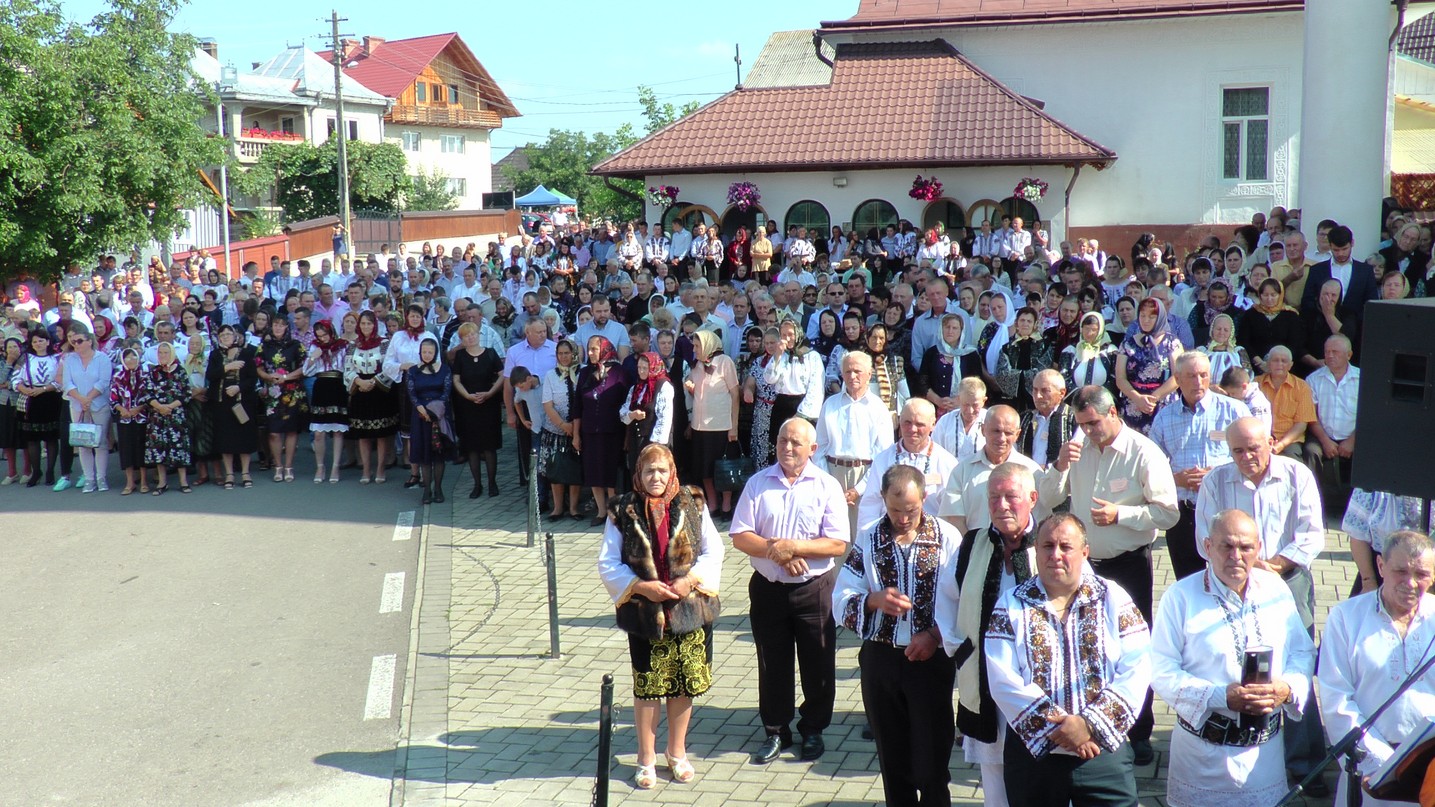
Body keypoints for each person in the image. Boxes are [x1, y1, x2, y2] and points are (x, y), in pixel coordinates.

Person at [1044, 384, 1180, 765]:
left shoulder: (1144, 453)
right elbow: (1048, 498)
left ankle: (1139, 731)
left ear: (1114, 414)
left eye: (1093, 424)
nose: (1088, 432)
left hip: (1128, 564)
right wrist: (1059, 465)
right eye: (1082, 425)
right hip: (1084, 567)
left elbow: (1169, 513)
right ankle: (1091, 721)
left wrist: (1123, 514)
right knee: (1085, 646)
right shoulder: (1077, 448)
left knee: (1132, 649)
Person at [1149, 509, 1316, 807]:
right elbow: (1161, 670)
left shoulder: (1275, 590)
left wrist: (1287, 688)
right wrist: (1219, 696)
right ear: (1208, 546)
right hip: (1202, 760)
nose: (1236, 555)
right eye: (1226, 545)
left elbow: (1302, 651)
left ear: (1259, 549)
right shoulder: (1180, 597)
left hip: (1264, 759)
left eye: (1245, 547)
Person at [1194, 416, 1328, 787]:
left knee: (1296, 665)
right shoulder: (1215, 481)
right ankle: (1246, 747)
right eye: (1237, 450)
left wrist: (1275, 565)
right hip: (1233, 584)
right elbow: (1203, 538)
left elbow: (1312, 533)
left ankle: (1305, 764)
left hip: (1287, 578)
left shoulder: (1295, 474)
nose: (1246, 456)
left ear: (1270, 441)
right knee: (1237, 661)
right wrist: (1245, 569)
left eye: (1253, 448)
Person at [984, 513, 1151, 806]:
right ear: (1035, 550)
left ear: (1084, 552)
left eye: (1066, 546)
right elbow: (1002, 679)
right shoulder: (1011, 603)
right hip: (1033, 756)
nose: (1055, 555)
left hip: (1102, 752)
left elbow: (1138, 667)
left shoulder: (1113, 597)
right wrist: (1063, 731)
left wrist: (1088, 725)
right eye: (1047, 546)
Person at [834, 464, 963, 806]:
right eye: (895, 510)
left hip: (930, 661)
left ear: (924, 499)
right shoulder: (869, 535)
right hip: (882, 657)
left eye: (911, 510)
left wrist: (935, 635)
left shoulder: (947, 536)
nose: (903, 518)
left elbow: (964, 602)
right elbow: (842, 594)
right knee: (892, 758)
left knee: (932, 759)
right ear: (882, 499)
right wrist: (873, 600)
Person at [597, 443, 724, 790]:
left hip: (689, 609)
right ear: (638, 473)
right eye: (649, 470)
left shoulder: (693, 501)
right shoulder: (622, 509)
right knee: (648, 687)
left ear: (673, 472)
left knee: (684, 684)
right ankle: (646, 758)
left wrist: (690, 580)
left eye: (662, 470)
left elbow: (714, 550)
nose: (656, 477)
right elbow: (608, 562)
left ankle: (677, 752)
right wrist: (641, 587)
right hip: (645, 613)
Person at [730, 418, 850, 765]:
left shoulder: (826, 486)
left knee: (818, 661)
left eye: (795, 442)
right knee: (772, 662)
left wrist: (794, 548)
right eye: (783, 440)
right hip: (768, 588)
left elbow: (837, 543)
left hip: (814, 589)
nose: (787, 447)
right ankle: (776, 729)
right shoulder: (757, 483)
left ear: (812, 449)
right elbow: (740, 535)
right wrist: (775, 551)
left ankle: (813, 728)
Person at [934, 462, 1042, 807]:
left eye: (1011, 496)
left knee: (1043, 770)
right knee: (994, 772)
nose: (1002, 505)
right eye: (993, 497)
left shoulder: (1052, 541)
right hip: (985, 680)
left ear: (1033, 498)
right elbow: (945, 597)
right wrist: (960, 648)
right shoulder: (972, 544)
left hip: (1038, 684)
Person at [1319, 530, 1435, 807]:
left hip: (1430, 772)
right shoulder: (1345, 618)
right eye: (1400, 571)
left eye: (1421, 574)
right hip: (1370, 773)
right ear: (1381, 566)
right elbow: (1336, 700)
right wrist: (1387, 765)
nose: (1410, 583)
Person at [1149, 352, 1251, 580]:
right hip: (1183, 513)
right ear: (1178, 378)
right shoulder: (1165, 417)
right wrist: (1176, 479)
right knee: (1188, 582)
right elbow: (1151, 467)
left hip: (1225, 508)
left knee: (1229, 578)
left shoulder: (1234, 411)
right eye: (1191, 376)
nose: (1198, 382)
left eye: (1203, 375)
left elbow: (1252, 459)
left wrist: (1215, 474)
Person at [856, 399, 958, 537]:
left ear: (933, 424)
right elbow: (870, 505)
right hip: (888, 537)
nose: (912, 429)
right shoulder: (883, 459)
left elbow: (951, 511)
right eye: (907, 423)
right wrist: (866, 540)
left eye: (919, 424)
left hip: (931, 539)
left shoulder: (946, 462)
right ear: (899, 421)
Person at [940, 405, 1046, 535]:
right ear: (983, 430)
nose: (1001, 438)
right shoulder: (962, 471)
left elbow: (1040, 519)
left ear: (1017, 434)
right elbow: (954, 520)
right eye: (996, 431)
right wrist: (973, 548)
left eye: (1008, 433)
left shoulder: (1032, 471)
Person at [574, 336, 628, 526]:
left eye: (594, 349)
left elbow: (625, 404)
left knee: (610, 472)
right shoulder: (585, 373)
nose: (590, 353)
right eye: (588, 349)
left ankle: (614, 511)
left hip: (612, 432)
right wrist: (576, 434)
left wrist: (627, 436)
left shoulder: (619, 372)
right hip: (590, 431)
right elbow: (577, 405)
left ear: (604, 349)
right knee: (594, 472)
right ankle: (601, 511)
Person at [1303, 333, 1359, 509]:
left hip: (1354, 435)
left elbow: (1368, 416)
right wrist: (1325, 441)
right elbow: (1310, 415)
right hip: (1322, 435)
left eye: (1335, 352)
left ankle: (1356, 508)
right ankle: (1312, 505)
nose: (1330, 356)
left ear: (1348, 355)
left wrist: (1352, 441)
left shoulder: (1363, 379)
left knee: (1369, 454)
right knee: (1311, 452)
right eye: (1327, 352)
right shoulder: (1313, 379)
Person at [450, 322, 504, 498]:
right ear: (462, 339)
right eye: (466, 336)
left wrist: (490, 393)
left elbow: (502, 375)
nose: (470, 337)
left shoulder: (490, 353)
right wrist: (467, 395)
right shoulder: (460, 356)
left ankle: (492, 483)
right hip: (467, 405)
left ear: (478, 335)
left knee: (489, 446)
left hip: (488, 404)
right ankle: (477, 484)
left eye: (473, 334)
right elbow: (456, 379)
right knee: (471, 446)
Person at [344, 311, 398, 485]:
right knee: (363, 435)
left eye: (369, 323)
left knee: (381, 434)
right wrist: (359, 381)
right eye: (363, 324)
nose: (366, 327)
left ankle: (381, 468)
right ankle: (366, 469)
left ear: (374, 325)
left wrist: (373, 381)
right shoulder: (353, 345)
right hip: (360, 391)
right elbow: (347, 368)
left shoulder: (384, 344)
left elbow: (389, 367)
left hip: (379, 391)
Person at [1115, 298, 1182, 434]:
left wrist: (1153, 398)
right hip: (1134, 403)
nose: (1146, 320)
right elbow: (1120, 378)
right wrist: (1138, 398)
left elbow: (1177, 376)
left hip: (1163, 402)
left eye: (1152, 316)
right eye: (1143, 316)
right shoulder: (1127, 344)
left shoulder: (1172, 342)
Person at [60, 325, 113, 493]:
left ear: (89, 341)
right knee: (83, 443)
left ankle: (101, 478)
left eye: (80, 341)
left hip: (98, 404)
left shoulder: (102, 358)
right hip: (77, 405)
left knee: (100, 442)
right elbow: (67, 383)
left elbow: (103, 382)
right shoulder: (69, 359)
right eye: (73, 341)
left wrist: (89, 398)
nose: (76, 344)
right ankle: (89, 478)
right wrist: (82, 399)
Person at [207, 325, 259, 489]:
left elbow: (252, 378)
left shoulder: (246, 353)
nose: (226, 336)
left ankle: (245, 472)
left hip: (242, 401)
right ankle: (229, 473)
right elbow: (210, 375)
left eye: (229, 334)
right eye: (223, 334)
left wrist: (239, 387)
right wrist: (226, 367)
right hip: (222, 402)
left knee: (243, 436)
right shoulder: (215, 355)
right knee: (225, 438)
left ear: (235, 336)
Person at [384, 304, 431, 489]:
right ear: (406, 317)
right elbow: (388, 362)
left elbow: (438, 362)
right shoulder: (398, 337)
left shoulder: (428, 336)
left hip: (426, 383)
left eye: (418, 316)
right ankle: (414, 472)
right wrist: (403, 366)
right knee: (409, 429)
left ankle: (427, 471)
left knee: (425, 426)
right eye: (411, 316)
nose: (414, 319)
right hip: (405, 383)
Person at [256, 315, 306, 482]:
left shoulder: (296, 345)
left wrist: (287, 377)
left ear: (287, 327)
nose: (278, 328)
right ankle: (278, 466)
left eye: (282, 325)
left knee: (291, 430)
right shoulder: (265, 346)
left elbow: (304, 367)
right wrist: (268, 377)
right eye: (275, 325)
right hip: (273, 393)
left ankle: (289, 466)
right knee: (274, 432)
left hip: (292, 392)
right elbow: (259, 366)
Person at [539, 339, 583, 520]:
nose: (564, 357)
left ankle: (574, 508)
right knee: (556, 469)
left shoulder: (583, 372)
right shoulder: (550, 375)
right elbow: (548, 405)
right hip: (555, 429)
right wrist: (563, 425)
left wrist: (574, 428)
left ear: (573, 353)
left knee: (574, 469)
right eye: (560, 353)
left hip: (578, 429)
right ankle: (558, 508)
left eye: (567, 353)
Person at [407, 335, 454, 505]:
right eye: (424, 352)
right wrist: (421, 408)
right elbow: (412, 393)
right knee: (424, 455)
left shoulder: (444, 369)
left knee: (438, 454)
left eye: (430, 352)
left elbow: (446, 392)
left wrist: (435, 410)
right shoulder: (413, 370)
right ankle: (426, 490)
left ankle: (439, 488)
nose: (427, 354)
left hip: (440, 414)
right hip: (420, 415)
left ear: (436, 353)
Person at [15, 328, 63, 488]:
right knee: (32, 439)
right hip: (31, 400)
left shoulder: (56, 359)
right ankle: (36, 472)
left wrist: (43, 389)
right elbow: (15, 378)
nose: (38, 344)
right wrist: (24, 389)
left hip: (50, 399)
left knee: (50, 437)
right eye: (35, 341)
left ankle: (50, 471)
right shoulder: (25, 358)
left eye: (41, 340)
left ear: (48, 342)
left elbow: (60, 380)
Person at [143, 341, 192, 494]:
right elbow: (147, 393)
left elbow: (186, 393)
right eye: (160, 353)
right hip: (157, 417)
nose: (163, 356)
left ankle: (183, 482)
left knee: (178, 447)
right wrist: (160, 407)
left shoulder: (180, 371)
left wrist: (170, 407)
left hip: (175, 415)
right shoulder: (153, 372)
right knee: (159, 448)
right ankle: (162, 483)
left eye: (166, 353)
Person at [304, 320, 349, 484]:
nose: (322, 338)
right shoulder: (314, 348)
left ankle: (335, 466)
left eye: (325, 334)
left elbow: (346, 367)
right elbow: (306, 371)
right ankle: (320, 466)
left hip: (337, 385)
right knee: (318, 433)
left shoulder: (342, 346)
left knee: (337, 431)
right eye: (319, 335)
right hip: (321, 386)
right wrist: (312, 358)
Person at [619, 351, 673, 475]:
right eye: (639, 368)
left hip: (653, 442)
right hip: (636, 441)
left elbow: (664, 418)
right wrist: (632, 415)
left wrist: (655, 446)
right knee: (637, 474)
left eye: (645, 368)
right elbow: (623, 411)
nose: (641, 371)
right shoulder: (636, 388)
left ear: (654, 368)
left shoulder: (664, 386)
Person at [919, 314, 979, 418]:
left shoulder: (971, 355)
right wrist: (938, 400)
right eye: (947, 327)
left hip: (964, 408)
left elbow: (976, 383)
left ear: (961, 331)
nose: (950, 331)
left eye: (955, 328)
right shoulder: (931, 353)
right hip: (934, 408)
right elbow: (922, 382)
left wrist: (958, 400)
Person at [993, 307, 1052, 413]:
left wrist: (1018, 375)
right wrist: (1026, 375)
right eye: (1022, 320)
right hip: (1013, 400)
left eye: (1029, 321)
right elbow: (1002, 374)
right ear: (1016, 323)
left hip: (1036, 398)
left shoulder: (1044, 346)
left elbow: (1043, 372)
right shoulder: (1007, 347)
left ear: (1034, 324)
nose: (1025, 324)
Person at [1016, 370, 1076, 470]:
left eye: (1045, 391)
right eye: (1035, 390)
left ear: (1062, 393)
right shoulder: (1024, 419)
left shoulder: (1073, 419)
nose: (1038, 396)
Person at [109, 347, 150, 494]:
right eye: (127, 358)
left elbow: (149, 396)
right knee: (126, 449)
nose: (131, 360)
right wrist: (122, 410)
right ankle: (130, 482)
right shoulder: (118, 377)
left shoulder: (145, 375)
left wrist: (138, 409)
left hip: (141, 418)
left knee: (141, 448)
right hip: (124, 418)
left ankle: (144, 481)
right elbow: (113, 398)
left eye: (134, 357)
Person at [1058, 311, 1117, 395]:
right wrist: (1080, 396)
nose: (1089, 333)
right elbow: (1063, 377)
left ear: (1100, 330)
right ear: (1081, 328)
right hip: (1075, 401)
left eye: (1094, 330)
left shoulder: (1111, 351)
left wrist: (1097, 396)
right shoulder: (1070, 351)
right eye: (1086, 328)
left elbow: (1115, 378)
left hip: (1102, 400)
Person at [932, 377, 987, 461]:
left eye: (975, 405)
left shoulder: (991, 421)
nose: (970, 410)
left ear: (984, 401)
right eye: (966, 404)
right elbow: (934, 452)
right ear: (958, 399)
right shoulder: (945, 422)